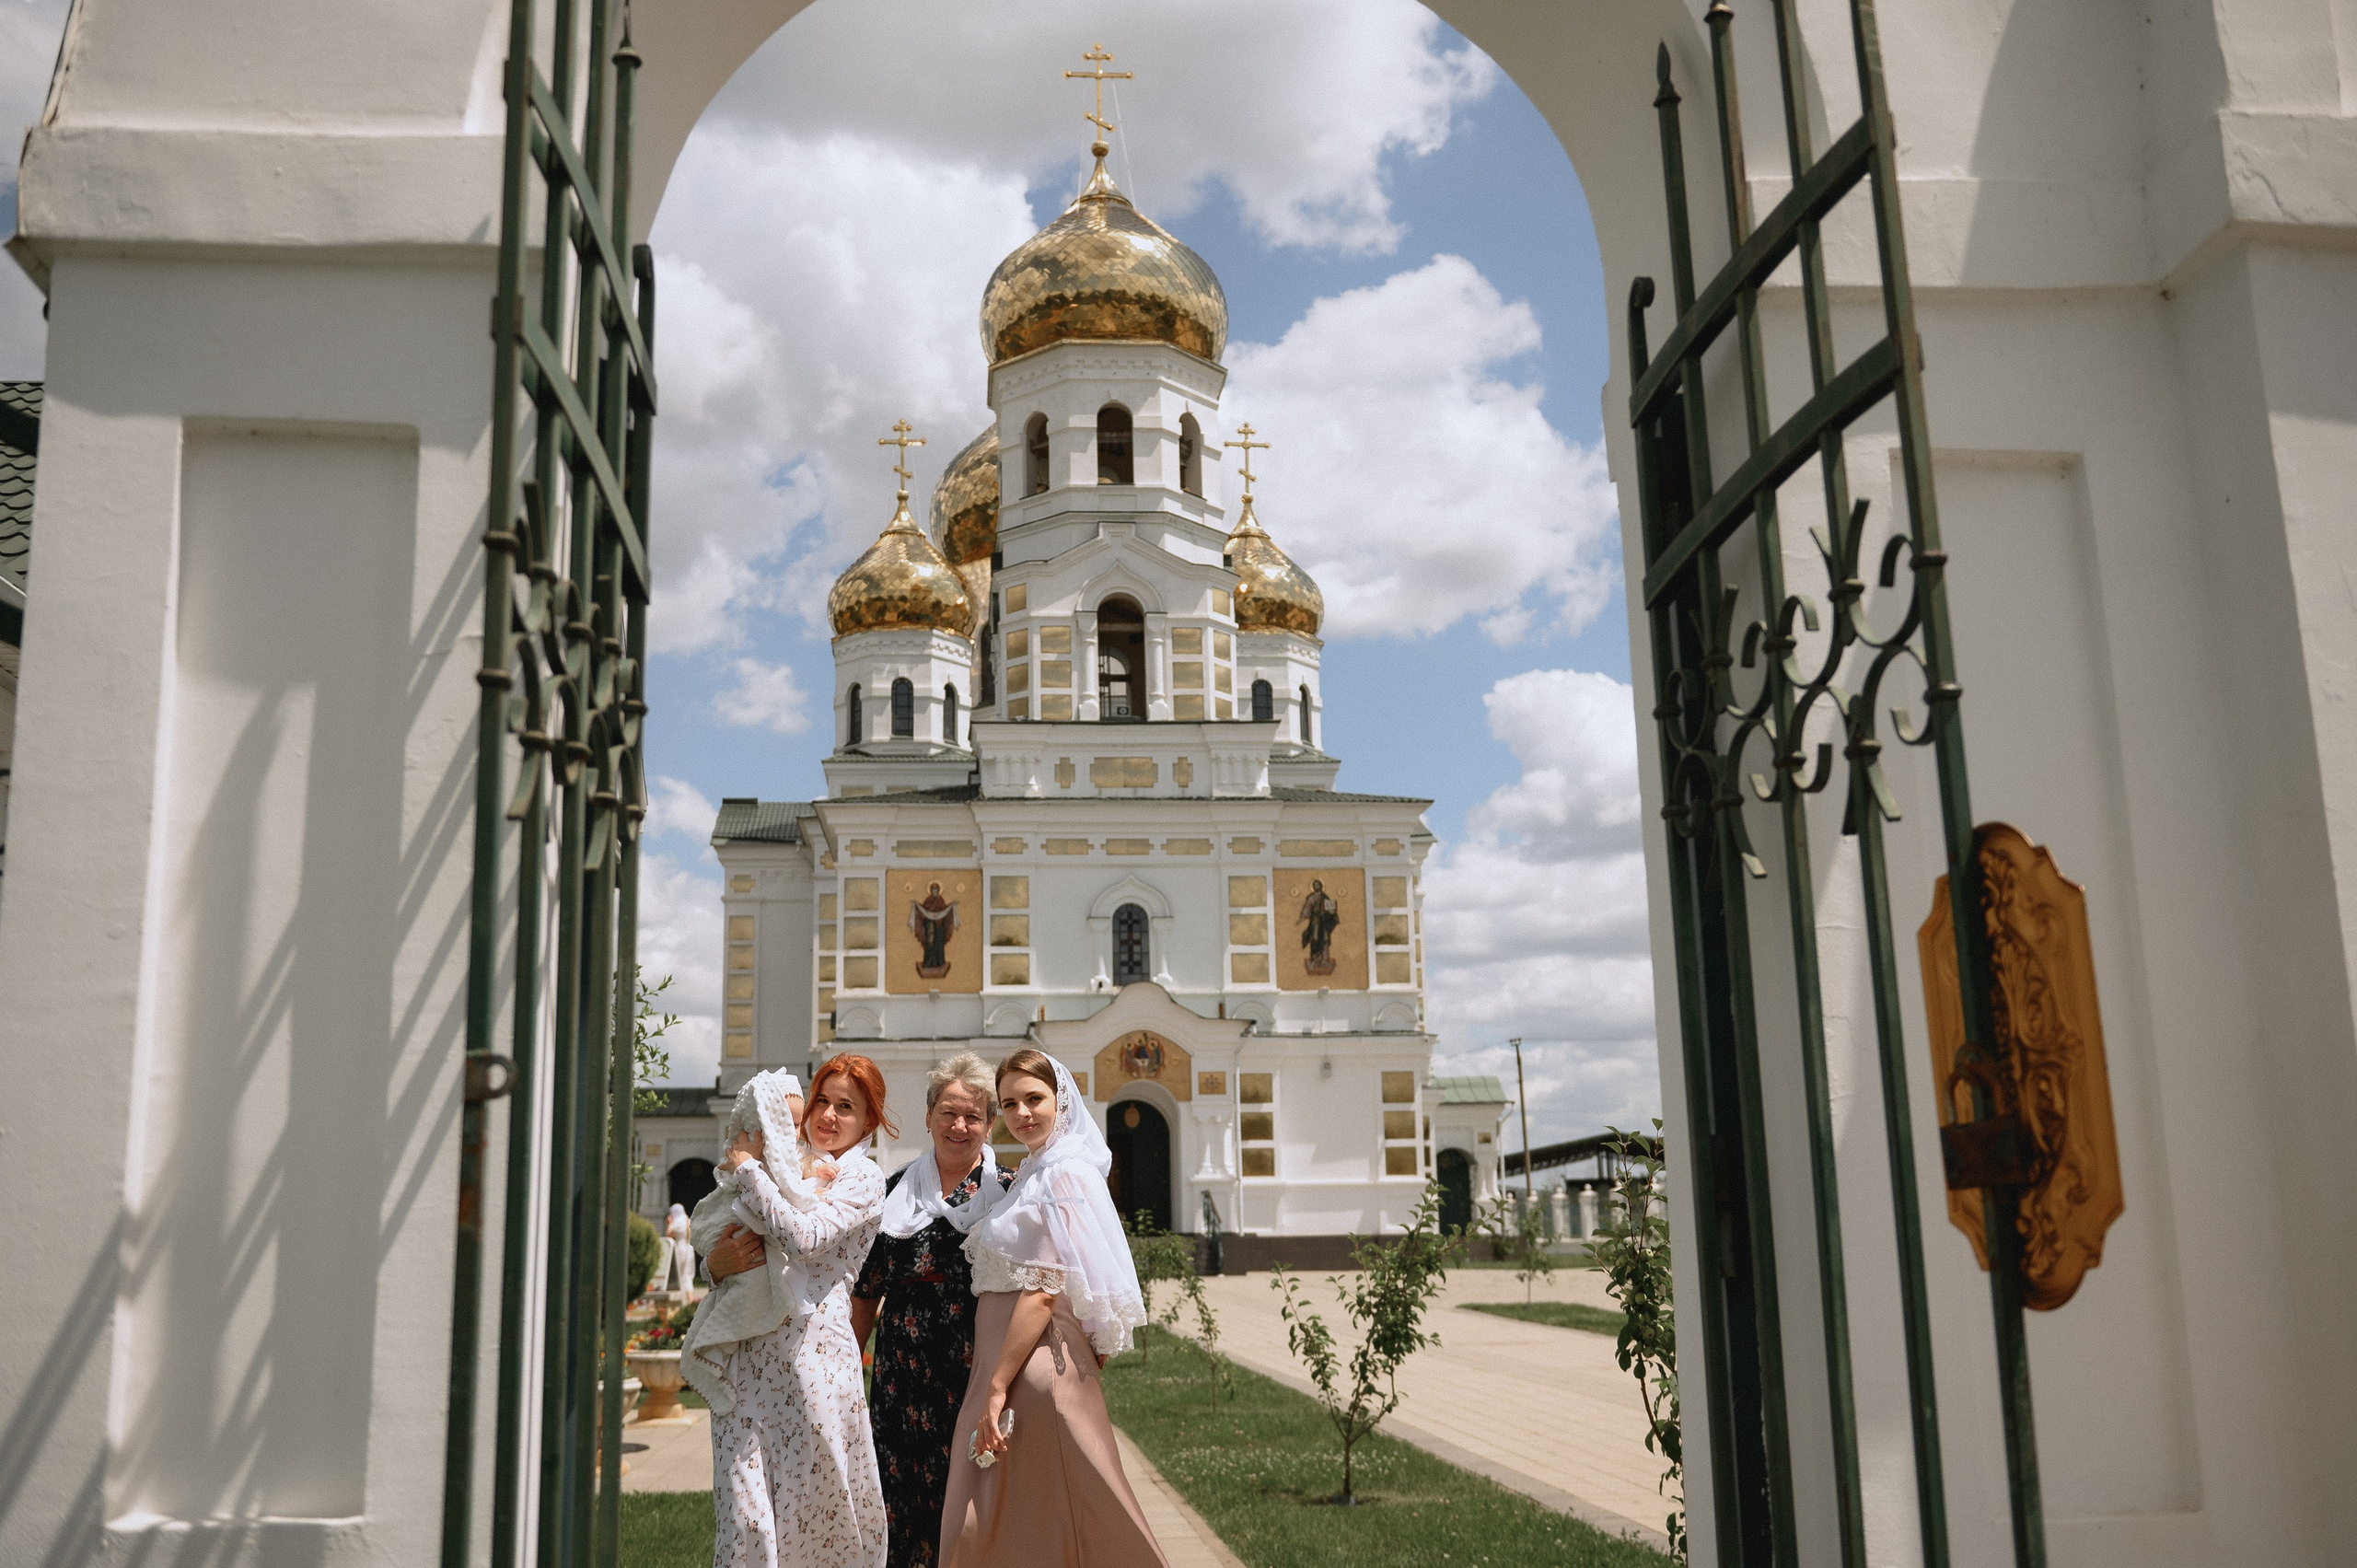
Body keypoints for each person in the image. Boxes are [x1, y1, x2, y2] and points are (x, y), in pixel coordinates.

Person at [938, 1049, 1167, 1568]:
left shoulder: (1062, 1174)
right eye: (1010, 1102)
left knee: (1009, 1515)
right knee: (1034, 1516)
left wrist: (997, 1388)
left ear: (1061, 1100)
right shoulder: (1040, 1171)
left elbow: (1043, 1288)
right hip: (1012, 1357)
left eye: (1034, 1099)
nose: (1022, 1113)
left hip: (1030, 1363)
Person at [699, 1055, 894, 1568]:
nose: (828, 1115)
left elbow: (804, 1238)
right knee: (744, 1518)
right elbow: (729, 1240)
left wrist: (747, 1170)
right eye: (822, 1101)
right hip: (749, 1358)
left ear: (869, 1120)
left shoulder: (863, 1179)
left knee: (813, 1517)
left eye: (846, 1107)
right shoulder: (785, 1163)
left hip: (813, 1364)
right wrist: (713, 1266)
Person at [848, 1053, 1011, 1568]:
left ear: (989, 1123)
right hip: (902, 1383)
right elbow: (866, 1294)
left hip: (977, 1380)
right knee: (904, 1513)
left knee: (977, 1509)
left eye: (973, 1116)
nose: (959, 1126)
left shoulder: (1008, 1193)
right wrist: (848, 1372)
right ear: (928, 1117)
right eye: (948, 1112)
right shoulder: (891, 1192)